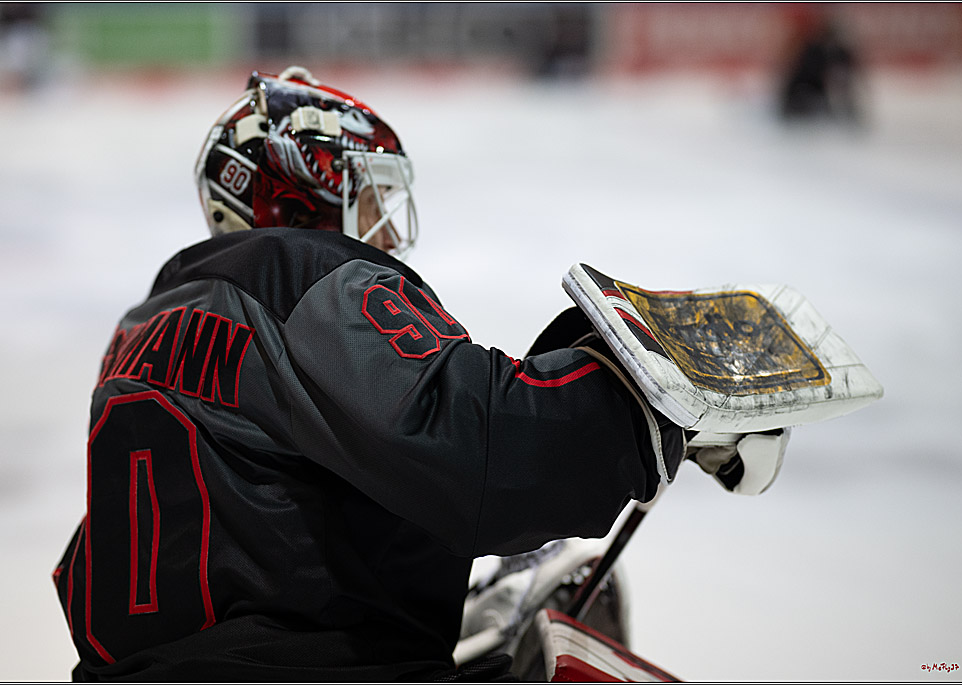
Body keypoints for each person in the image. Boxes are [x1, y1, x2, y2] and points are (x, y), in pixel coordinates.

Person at [52, 66, 686, 681]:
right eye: (370, 195)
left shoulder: (139, 327)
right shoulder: (303, 278)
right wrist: (644, 399)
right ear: (303, 200)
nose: (384, 227)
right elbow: (482, 449)